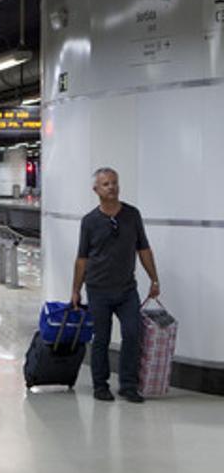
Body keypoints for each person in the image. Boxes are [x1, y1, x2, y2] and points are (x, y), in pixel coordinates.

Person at [69, 167, 160, 403]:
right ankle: (101, 385)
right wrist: (76, 290)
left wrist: (154, 278)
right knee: (101, 338)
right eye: (106, 184)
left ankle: (128, 385)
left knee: (133, 332)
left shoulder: (132, 215)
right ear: (96, 189)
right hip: (98, 289)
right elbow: (82, 258)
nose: (112, 187)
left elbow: (144, 249)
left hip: (127, 289)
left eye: (115, 183)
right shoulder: (90, 221)